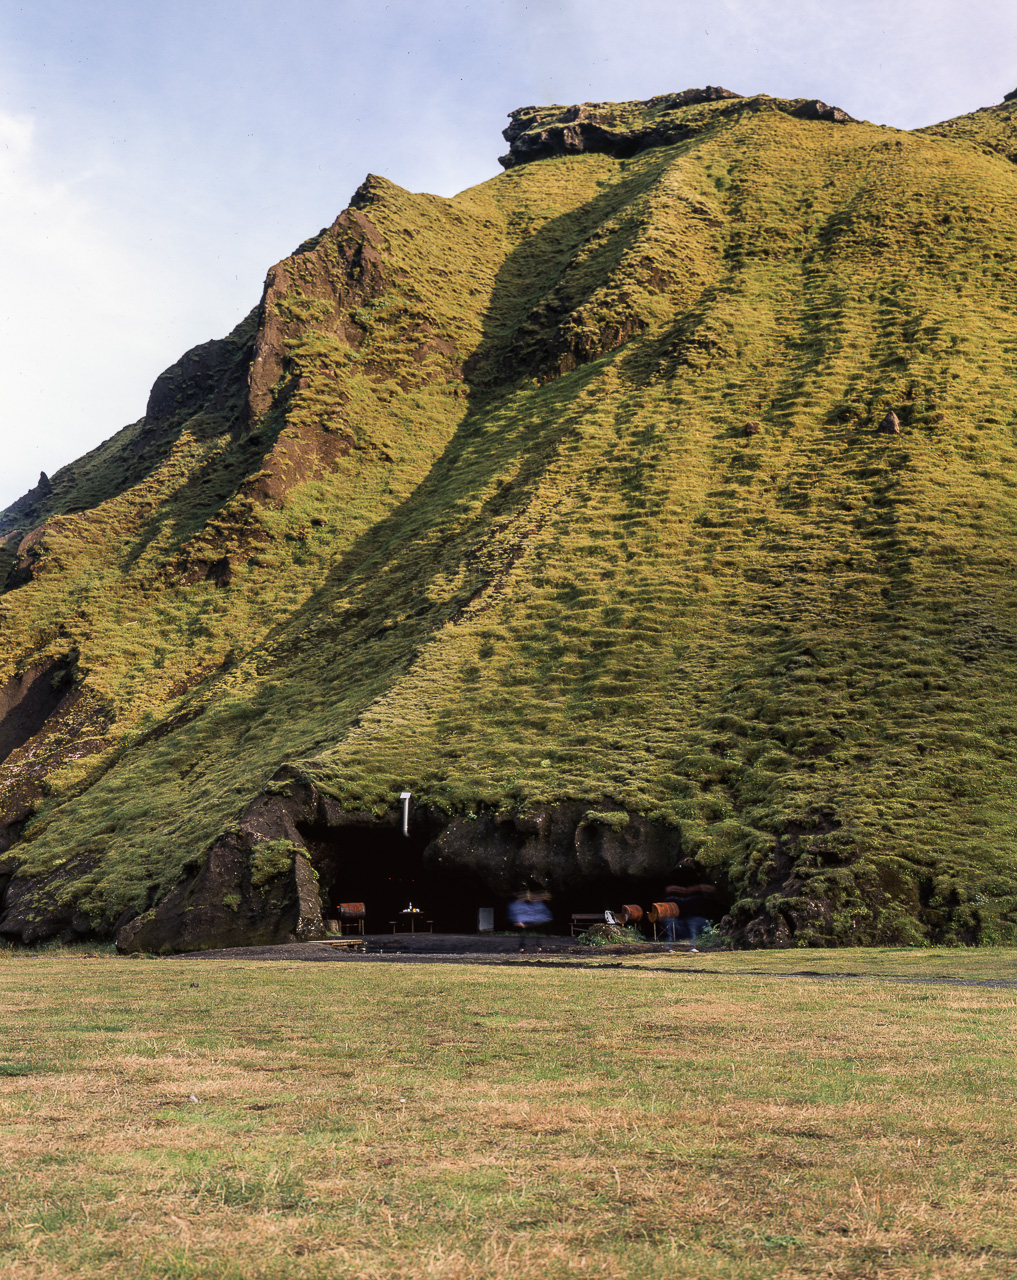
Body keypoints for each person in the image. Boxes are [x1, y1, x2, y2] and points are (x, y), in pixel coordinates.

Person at [663, 881, 716, 952]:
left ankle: (692, 947)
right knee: (674, 931)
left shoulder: (696, 895)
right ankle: (669, 947)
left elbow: (710, 889)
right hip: (682, 916)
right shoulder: (673, 896)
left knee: (693, 931)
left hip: (694, 916)